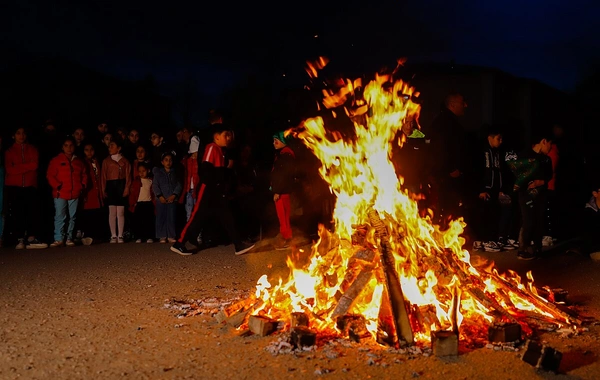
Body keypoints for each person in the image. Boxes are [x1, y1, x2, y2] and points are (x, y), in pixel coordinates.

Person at [170, 124, 255, 256]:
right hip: (208, 189)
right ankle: (179, 243)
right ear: (216, 137)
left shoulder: (221, 151)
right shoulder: (211, 148)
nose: (228, 138)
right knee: (196, 217)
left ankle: (238, 245)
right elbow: (206, 170)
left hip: (217, 190)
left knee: (227, 217)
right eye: (225, 135)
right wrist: (216, 183)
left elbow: (220, 173)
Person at [427, 92, 468, 225]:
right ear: (452, 105)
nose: (466, 105)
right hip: (445, 176)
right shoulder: (444, 122)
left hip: (449, 174)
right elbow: (440, 148)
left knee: (451, 208)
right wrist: (450, 169)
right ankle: (441, 236)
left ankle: (449, 237)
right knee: (446, 208)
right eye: (463, 103)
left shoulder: (450, 121)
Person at [472, 126, 516, 252]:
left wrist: (502, 188)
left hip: (495, 189)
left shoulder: (497, 152)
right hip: (484, 189)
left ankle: (491, 239)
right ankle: (484, 240)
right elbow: (475, 171)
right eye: (498, 138)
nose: (501, 141)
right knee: (484, 214)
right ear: (490, 138)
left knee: (494, 214)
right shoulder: (481, 151)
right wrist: (479, 190)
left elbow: (500, 172)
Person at [511, 132, 553, 260]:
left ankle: (537, 248)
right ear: (544, 141)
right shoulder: (525, 155)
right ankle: (523, 249)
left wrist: (541, 182)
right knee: (528, 220)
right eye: (550, 145)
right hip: (525, 195)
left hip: (541, 194)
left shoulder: (546, 159)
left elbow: (549, 175)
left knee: (539, 219)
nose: (550, 148)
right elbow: (517, 174)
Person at [4, 127, 47, 249]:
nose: (21, 136)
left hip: (30, 185)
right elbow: (10, 169)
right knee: (18, 213)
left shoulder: (32, 149)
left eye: (23, 133)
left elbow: (35, 165)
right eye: (18, 133)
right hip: (14, 186)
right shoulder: (9, 151)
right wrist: (25, 167)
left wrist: (18, 167)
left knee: (32, 212)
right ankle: (19, 239)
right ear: (13, 136)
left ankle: (31, 238)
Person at [47, 137, 87, 247]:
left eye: (71, 145)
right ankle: (59, 238)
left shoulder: (78, 161)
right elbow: (50, 175)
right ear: (62, 147)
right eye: (66, 145)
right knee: (60, 216)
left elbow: (84, 174)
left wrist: (82, 186)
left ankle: (69, 238)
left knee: (72, 217)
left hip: (74, 193)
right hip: (61, 193)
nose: (69, 148)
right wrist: (57, 186)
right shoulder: (56, 160)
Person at [101, 139, 132, 243]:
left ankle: (120, 235)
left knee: (121, 212)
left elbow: (128, 176)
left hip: (121, 186)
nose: (110, 148)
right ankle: (113, 235)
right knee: (112, 212)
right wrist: (103, 189)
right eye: (109, 146)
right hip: (111, 186)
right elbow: (103, 177)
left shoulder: (125, 161)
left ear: (119, 148)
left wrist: (127, 188)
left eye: (112, 145)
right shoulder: (106, 161)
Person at [271, 131, 296, 250]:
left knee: (283, 216)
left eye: (276, 140)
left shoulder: (286, 155)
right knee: (284, 216)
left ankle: (287, 239)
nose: (274, 143)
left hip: (282, 192)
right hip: (283, 191)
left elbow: (283, 175)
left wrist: (277, 191)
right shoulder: (284, 154)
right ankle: (286, 238)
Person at [152, 152, 182, 243]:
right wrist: (159, 196)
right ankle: (162, 235)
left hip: (172, 199)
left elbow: (179, 185)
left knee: (171, 217)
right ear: (162, 162)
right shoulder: (158, 173)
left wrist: (174, 195)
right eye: (166, 160)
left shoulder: (175, 173)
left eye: (170, 160)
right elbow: (155, 185)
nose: (168, 162)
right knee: (161, 217)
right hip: (161, 199)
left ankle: (171, 235)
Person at [80, 143, 105, 243]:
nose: (89, 152)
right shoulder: (83, 162)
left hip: (97, 191)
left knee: (96, 214)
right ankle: (87, 235)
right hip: (88, 191)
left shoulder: (97, 161)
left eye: (91, 149)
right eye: (86, 149)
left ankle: (96, 236)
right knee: (88, 214)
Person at [129, 162, 155, 243]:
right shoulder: (136, 181)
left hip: (148, 203)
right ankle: (139, 236)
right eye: (139, 171)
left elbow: (153, 193)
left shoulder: (151, 181)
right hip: (139, 203)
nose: (141, 173)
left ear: (148, 171)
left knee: (148, 221)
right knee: (139, 221)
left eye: (143, 171)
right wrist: (133, 203)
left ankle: (149, 236)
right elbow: (132, 193)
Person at [181, 136, 200, 221]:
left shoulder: (200, 162)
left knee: (197, 210)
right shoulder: (187, 161)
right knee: (188, 211)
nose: (194, 155)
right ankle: (188, 229)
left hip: (197, 190)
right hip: (189, 190)